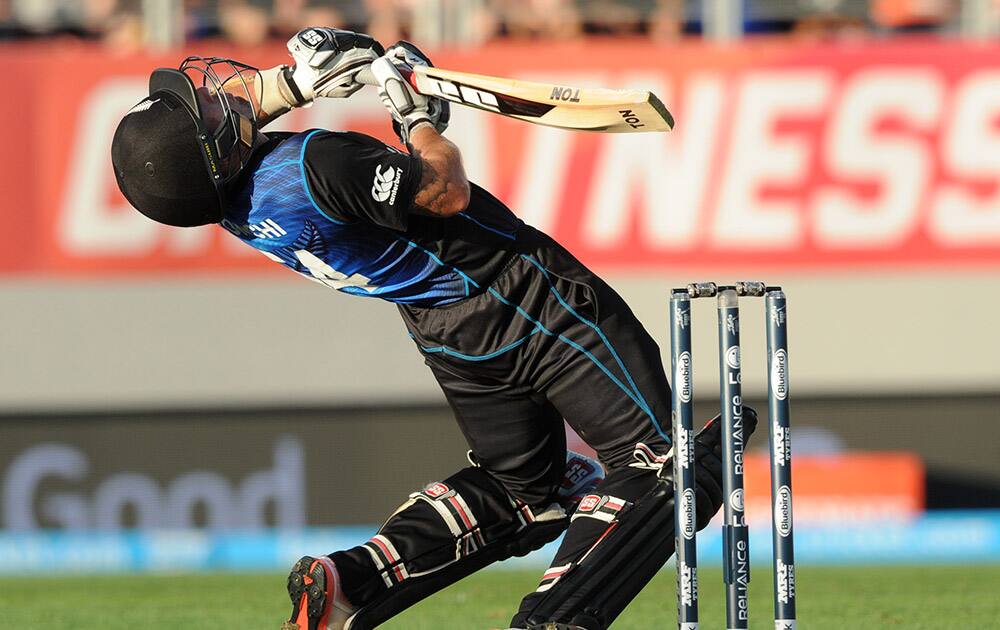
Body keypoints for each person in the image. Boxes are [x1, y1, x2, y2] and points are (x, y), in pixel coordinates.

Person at [110, 27, 755, 630]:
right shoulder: (317, 161)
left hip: (447, 336)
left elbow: (241, 130)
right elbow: (444, 190)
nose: (214, 94)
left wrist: (305, 80)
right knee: (662, 470)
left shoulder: (233, 206)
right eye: (205, 110)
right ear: (214, 152)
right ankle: (555, 617)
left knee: (525, 494)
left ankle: (350, 584)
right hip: (530, 300)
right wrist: (417, 115)